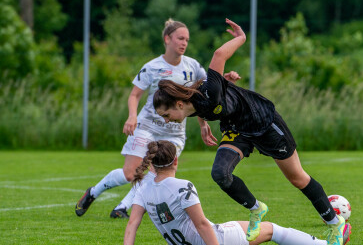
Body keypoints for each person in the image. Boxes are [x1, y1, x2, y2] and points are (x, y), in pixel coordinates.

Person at [152, 18, 347, 245]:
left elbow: (219, 54)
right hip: (237, 129)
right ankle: (256, 209)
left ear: (179, 103)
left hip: (264, 122)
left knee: (297, 178)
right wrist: (204, 126)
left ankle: (335, 225)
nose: (166, 120)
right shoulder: (191, 106)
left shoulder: (208, 94)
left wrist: (241, 38)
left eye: (166, 114)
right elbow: (199, 107)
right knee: (220, 174)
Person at [75, 19, 240, 218]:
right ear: (167, 39)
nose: (184, 43)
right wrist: (132, 116)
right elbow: (134, 95)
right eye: (180, 38)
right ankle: (94, 192)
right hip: (147, 126)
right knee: (131, 174)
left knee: (155, 172)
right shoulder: (152, 67)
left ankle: (121, 208)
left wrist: (223, 82)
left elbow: (202, 93)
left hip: (174, 132)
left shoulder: (193, 66)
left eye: (187, 39)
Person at [122, 140, 351, 245]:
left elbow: (132, 225)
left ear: (152, 164)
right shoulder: (182, 185)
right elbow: (201, 224)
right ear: (176, 161)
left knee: (243, 225)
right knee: (273, 229)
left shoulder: (143, 186)